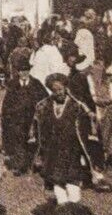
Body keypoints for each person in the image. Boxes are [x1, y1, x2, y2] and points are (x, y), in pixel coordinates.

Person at [34, 73, 94, 205]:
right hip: (53, 150)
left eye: (61, 89)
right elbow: (40, 130)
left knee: (73, 177)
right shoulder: (44, 106)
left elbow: (84, 129)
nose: (59, 93)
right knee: (57, 178)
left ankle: (74, 206)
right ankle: (62, 208)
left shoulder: (77, 105)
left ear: (66, 88)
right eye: (55, 91)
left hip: (72, 149)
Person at [0, 47, 41, 177]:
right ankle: (19, 166)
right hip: (16, 119)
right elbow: (7, 103)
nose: (24, 73)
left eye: (26, 71)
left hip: (31, 119)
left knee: (30, 143)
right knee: (17, 142)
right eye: (21, 71)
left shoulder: (36, 83)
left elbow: (43, 99)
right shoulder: (12, 84)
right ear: (18, 72)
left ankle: (29, 163)